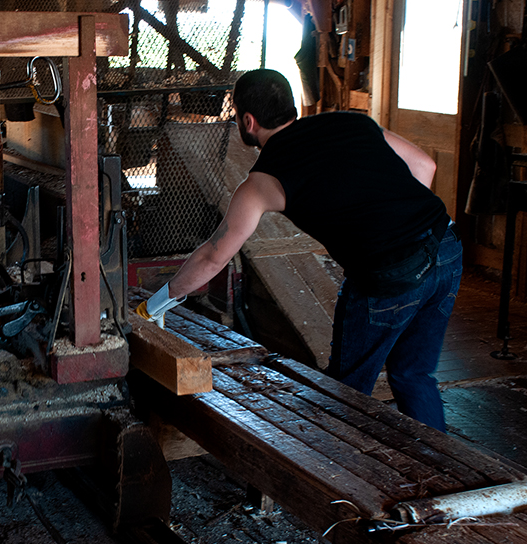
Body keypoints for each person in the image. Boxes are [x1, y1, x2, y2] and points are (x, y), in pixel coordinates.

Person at [136, 69, 463, 432]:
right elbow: (424, 166)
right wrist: (398, 224)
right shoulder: (351, 122)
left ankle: (335, 477)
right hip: (445, 247)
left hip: (387, 275)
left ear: (248, 120)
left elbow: (214, 255)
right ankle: (449, 476)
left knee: (346, 389)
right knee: (414, 374)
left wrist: (155, 305)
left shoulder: (262, 182)